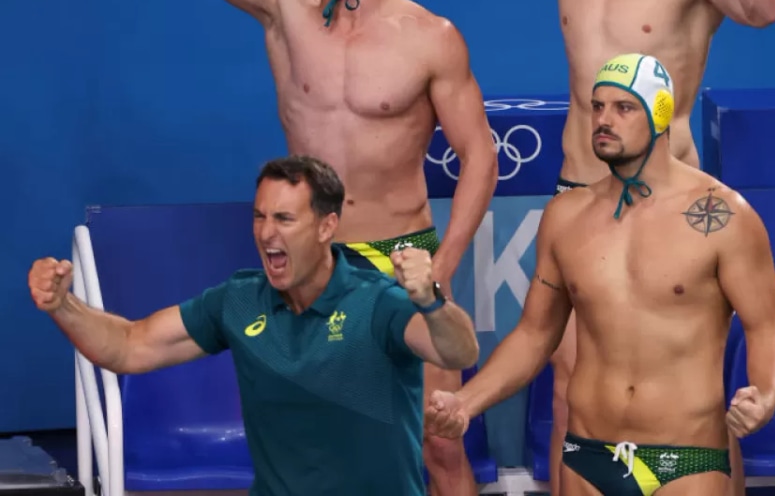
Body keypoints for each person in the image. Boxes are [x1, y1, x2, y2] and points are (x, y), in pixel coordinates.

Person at [415, 0, 775, 490]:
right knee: (568, 389)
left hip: (672, 202)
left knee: (697, 408)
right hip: (579, 196)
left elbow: (764, 7)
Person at [164, 0, 500, 492]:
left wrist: (443, 265)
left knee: (440, 440)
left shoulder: (430, 37)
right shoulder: (285, 8)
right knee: (320, 438)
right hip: (318, 266)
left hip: (402, 255)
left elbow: (480, 156)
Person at [424, 54, 775, 495]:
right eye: (597, 107)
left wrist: (765, 395)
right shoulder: (566, 215)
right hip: (588, 455)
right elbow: (534, 335)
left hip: (686, 461)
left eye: (623, 108)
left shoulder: (722, 214)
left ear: (659, 116)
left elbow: (765, 328)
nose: (603, 119)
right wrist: (466, 402)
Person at [28, 155, 481, 496]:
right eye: (260, 216)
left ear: (327, 227)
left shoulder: (377, 301)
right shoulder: (239, 300)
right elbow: (129, 346)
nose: (266, 233)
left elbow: (458, 352)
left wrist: (431, 300)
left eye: (284, 218)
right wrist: (63, 306)